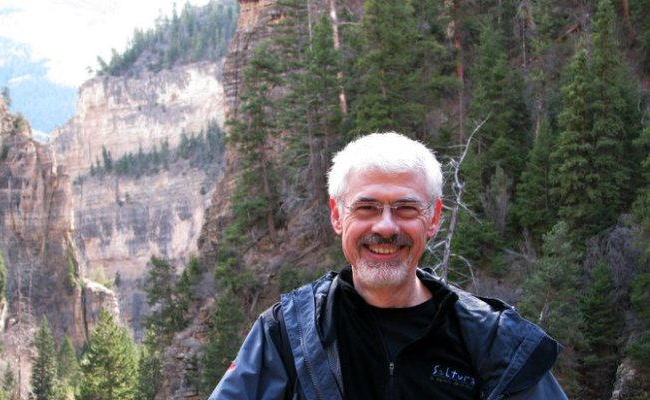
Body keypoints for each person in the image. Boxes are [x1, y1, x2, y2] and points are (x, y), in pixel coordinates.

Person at [209, 132, 568, 399]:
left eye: (405, 208)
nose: (385, 227)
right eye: (366, 208)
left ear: (433, 218)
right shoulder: (287, 334)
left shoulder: (493, 341)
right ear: (337, 215)